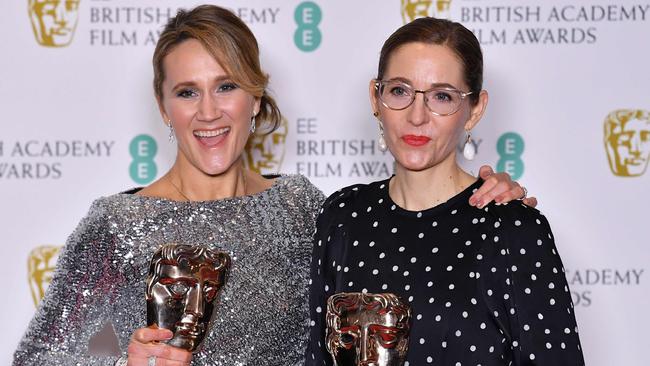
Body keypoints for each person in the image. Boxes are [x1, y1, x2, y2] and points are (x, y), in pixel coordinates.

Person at [14, 6, 530, 366]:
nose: (209, 112)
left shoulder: (303, 209)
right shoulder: (116, 223)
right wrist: (120, 363)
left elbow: (402, 250)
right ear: (163, 105)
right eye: (187, 91)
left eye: (227, 86)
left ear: (255, 98)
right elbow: (36, 358)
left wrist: (482, 201)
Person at [305, 17, 584, 365]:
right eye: (400, 91)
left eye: (441, 96)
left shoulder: (512, 230)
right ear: (376, 98)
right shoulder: (344, 216)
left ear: (474, 109)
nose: (417, 116)